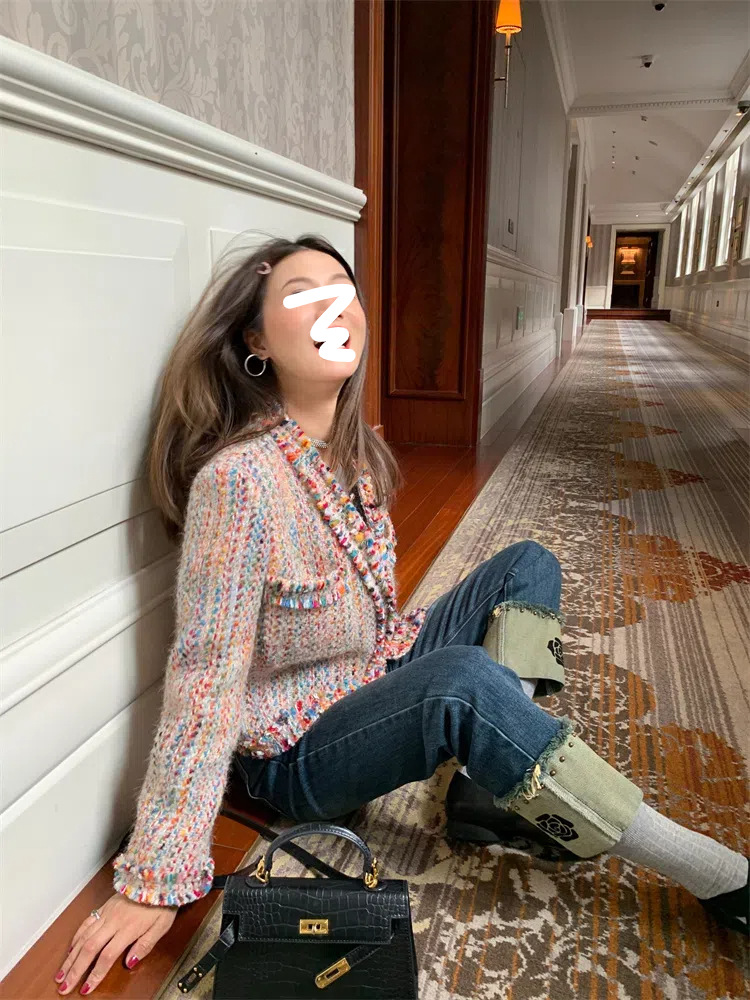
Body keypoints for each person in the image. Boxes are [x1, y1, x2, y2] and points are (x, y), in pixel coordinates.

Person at [53, 234, 748, 997]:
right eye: (302, 294)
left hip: (369, 670)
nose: (332, 307)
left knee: (528, 563)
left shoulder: (354, 451)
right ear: (256, 341)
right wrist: (155, 875)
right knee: (463, 682)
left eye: (342, 290)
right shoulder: (239, 482)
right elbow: (204, 677)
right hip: (297, 752)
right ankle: (718, 874)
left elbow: (377, 617)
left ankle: (484, 785)